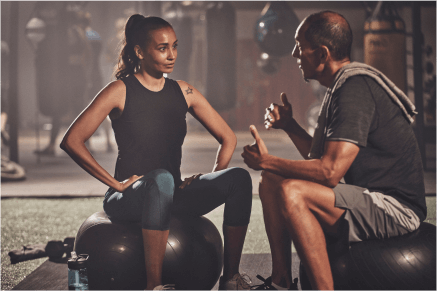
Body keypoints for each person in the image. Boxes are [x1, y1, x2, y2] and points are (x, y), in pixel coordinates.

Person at [61, 15, 253, 291]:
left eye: (174, 46)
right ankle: (154, 286)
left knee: (238, 179)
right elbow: (72, 140)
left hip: (170, 192)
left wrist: (209, 176)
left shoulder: (184, 91)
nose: (171, 55)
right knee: (161, 179)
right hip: (128, 195)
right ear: (139, 51)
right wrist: (115, 184)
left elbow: (228, 137)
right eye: (162, 48)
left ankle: (231, 279)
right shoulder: (119, 90)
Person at [242, 11, 426, 291]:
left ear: (322, 53)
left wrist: (268, 159)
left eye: (300, 46)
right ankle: (280, 283)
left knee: (292, 191)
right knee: (271, 181)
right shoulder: (340, 87)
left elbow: (328, 173)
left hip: (395, 207)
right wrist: (290, 126)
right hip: (366, 196)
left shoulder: (354, 87)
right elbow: (319, 161)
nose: (294, 53)